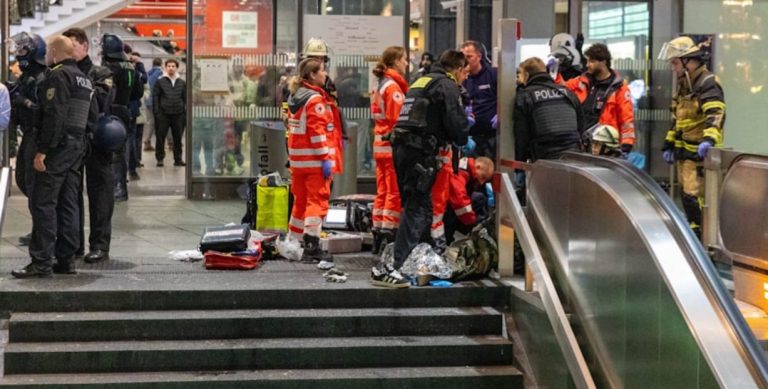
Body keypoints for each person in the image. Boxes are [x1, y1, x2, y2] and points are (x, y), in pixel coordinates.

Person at [371, 50, 470, 288]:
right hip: (421, 152)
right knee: (419, 207)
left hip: (403, 150)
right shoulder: (447, 85)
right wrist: (465, 130)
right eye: (464, 72)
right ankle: (396, 266)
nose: (465, 78)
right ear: (456, 69)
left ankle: (405, 261)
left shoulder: (421, 81)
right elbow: (458, 127)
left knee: (414, 205)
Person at [12, 35, 94, 278]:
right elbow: (93, 114)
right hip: (76, 146)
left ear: (57, 52)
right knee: (68, 203)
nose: (46, 55)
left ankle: (41, 261)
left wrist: (43, 150)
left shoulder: (57, 75)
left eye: (49, 50)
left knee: (43, 202)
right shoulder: (84, 78)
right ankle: (66, 259)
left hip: (57, 147)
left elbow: (54, 114)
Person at [658, 36, 725, 239]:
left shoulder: (707, 83)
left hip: (699, 154)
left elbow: (715, 114)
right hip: (685, 153)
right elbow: (677, 117)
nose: (673, 68)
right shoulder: (684, 84)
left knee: (696, 198)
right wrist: (669, 143)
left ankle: (703, 239)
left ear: (689, 61)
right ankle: (695, 234)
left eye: (675, 63)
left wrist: (709, 141)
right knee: (687, 197)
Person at [62, 28, 116, 264]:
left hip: (97, 139)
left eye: (73, 45)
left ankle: (100, 245)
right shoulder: (61, 73)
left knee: (100, 194)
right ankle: (73, 245)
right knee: (70, 196)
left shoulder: (100, 72)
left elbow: (103, 100)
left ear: (85, 46)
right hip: (71, 140)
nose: (70, 50)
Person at [286, 58, 337, 270]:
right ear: (313, 75)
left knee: (301, 201)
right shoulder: (315, 100)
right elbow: (317, 134)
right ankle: (312, 245)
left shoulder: (295, 96)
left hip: (298, 161)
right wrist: (325, 158)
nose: (325, 75)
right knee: (317, 202)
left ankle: (294, 242)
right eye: (322, 71)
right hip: (314, 162)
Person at [9, 32, 48, 247]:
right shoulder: (26, 77)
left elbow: (41, 110)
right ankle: (39, 229)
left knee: (36, 187)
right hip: (28, 134)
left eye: (23, 50)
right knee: (24, 181)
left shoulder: (43, 77)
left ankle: (42, 232)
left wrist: (22, 101)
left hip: (38, 135)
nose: (19, 54)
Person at [370, 46, 409, 255]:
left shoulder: (379, 85)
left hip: (380, 147)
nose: (407, 64)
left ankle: (377, 231)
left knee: (382, 192)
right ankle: (388, 234)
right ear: (395, 61)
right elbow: (398, 120)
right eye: (404, 59)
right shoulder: (393, 88)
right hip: (392, 147)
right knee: (393, 192)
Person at [564, 43, 635, 156]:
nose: (587, 65)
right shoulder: (582, 81)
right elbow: (560, 88)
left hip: (604, 145)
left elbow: (626, 119)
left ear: (603, 62)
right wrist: (555, 73)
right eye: (587, 61)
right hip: (580, 143)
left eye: (592, 61)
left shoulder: (619, 88)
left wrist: (626, 145)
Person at [514, 57, 583, 162]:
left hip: (545, 157)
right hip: (574, 155)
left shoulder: (525, 96)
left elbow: (522, 133)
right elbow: (581, 123)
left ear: (527, 75)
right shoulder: (567, 92)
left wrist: (519, 161)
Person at [101, 33, 139, 202]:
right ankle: (120, 185)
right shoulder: (130, 67)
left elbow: (107, 93)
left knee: (113, 152)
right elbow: (137, 92)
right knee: (122, 150)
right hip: (126, 110)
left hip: (112, 111)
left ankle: (117, 187)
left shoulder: (110, 68)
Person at [445, 156, 495, 244]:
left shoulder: (467, 170)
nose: (481, 182)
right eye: (483, 177)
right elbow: (459, 200)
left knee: (479, 198)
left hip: (447, 202)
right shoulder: (461, 171)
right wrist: (472, 222)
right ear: (478, 167)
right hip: (443, 204)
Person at [461, 41, 497, 160]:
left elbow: (506, 99)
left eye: (469, 56)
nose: (465, 61)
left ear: (479, 56)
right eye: (463, 57)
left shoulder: (493, 75)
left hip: (491, 136)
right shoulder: (462, 78)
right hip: (470, 137)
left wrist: (501, 115)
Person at [152, 59, 187, 167]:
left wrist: (185, 112)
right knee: (160, 137)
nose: (171, 68)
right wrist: (157, 112)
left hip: (178, 114)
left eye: (173, 66)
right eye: (169, 66)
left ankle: (178, 159)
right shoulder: (160, 81)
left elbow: (185, 98)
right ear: (165, 67)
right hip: (163, 114)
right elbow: (155, 97)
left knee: (178, 138)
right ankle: (160, 158)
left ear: (176, 68)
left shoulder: (182, 82)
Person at [144, 57, 163, 152]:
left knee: (150, 122)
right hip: (157, 102)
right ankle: (170, 143)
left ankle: (147, 142)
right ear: (161, 64)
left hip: (148, 101)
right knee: (163, 123)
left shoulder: (148, 72)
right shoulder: (160, 73)